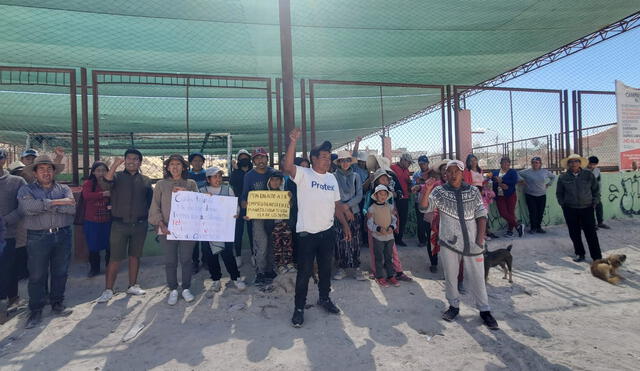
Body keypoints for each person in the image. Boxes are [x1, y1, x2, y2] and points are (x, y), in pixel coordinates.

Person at [283, 128, 351, 328]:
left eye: (329, 157)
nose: (327, 160)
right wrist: (293, 141)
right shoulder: (304, 174)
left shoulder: (331, 178)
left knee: (325, 269)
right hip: (306, 234)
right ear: (313, 159)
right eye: (323, 157)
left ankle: (324, 298)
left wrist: (345, 225)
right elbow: (287, 166)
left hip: (327, 232)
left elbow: (336, 205)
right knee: (304, 272)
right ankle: (299, 308)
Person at [420, 160, 498, 330]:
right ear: (445, 174)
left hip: (472, 242)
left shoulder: (472, 191)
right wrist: (427, 190)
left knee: (478, 276)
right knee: (451, 275)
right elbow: (425, 208)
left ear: (463, 173)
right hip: (449, 242)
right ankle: (454, 306)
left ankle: (485, 310)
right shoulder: (439, 192)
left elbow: (481, 214)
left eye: (457, 171)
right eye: (450, 171)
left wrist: (480, 238)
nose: (453, 174)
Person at [18, 155, 76, 329]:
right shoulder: (26, 190)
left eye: (49, 169)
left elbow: (72, 208)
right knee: (37, 275)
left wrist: (44, 205)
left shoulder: (64, 188)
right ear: (35, 172)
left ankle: (57, 302)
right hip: (37, 237)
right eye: (41, 169)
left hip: (63, 234)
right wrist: (58, 203)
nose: (46, 172)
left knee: (60, 271)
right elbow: (28, 209)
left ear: (54, 171)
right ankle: (36, 309)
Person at [96, 149, 152, 304]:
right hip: (119, 224)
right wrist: (115, 164)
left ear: (140, 162)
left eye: (135, 159)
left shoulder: (146, 180)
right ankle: (108, 290)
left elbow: (151, 203)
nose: (132, 161)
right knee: (115, 258)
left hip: (140, 224)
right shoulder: (116, 177)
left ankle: (132, 285)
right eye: (129, 159)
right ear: (125, 161)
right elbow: (106, 182)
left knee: (135, 256)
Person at [149, 154, 199, 305]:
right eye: (172, 164)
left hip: (187, 229)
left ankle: (185, 288)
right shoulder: (161, 185)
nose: (175, 167)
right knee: (170, 261)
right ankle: (173, 289)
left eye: (178, 164)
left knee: (186, 259)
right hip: (167, 228)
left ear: (183, 167)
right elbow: (155, 206)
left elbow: (199, 203)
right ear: (168, 167)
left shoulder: (190, 183)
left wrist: (186, 193)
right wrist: (160, 223)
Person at [199, 166, 246, 296]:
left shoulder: (227, 189)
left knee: (228, 254)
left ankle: (235, 277)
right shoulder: (201, 191)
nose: (218, 179)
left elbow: (234, 206)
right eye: (214, 177)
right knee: (211, 255)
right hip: (207, 230)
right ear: (208, 179)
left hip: (224, 228)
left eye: (219, 176)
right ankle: (216, 279)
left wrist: (236, 213)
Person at [362, 169, 413, 281]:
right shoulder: (370, 194)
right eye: (382, 178)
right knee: (375, 250)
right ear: (376, 181)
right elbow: (365, 208)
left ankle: (398, 271)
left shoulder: (388, 194)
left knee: (392, 250)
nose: (386, 180)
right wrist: (367, 214)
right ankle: (376, 272)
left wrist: (393, 218)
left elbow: (392, 208)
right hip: (374, 228)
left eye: (387, 179)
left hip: (387, 227)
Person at [556, 154, 602, 262]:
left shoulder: (588, 174)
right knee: (574, 233)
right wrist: (563, 204)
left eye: (576, 161)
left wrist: (595, 202)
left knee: (591, 233)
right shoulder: (563, 177)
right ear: (568, 164)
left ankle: (597, 257)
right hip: (570, 209)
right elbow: (559, 193)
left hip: (587, 208)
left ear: (580, 163)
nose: (573, 164)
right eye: (571, 162)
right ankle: (580, 254)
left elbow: (596, 190)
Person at [241, 147, 276, 285]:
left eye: (263, 157)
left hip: (274, 215)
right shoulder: (249, 176)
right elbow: (245, 196)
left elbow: (281, 193)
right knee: (261, 245)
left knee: (272, 244)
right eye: (257, 158)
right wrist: (246, 208)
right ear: (253, 161)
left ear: (267, 158)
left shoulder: (274, 173)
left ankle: (270, 270)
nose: (260, 160)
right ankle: (260, 272)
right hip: (258, 217)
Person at [1, 149, 27, 324]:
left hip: (7, 235)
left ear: (3, 160)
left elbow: (24, 207)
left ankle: (9, 303)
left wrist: (4, 220)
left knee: (7, 271)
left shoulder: (16, 181)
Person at [332, 151, 365, 281]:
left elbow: (359, 195)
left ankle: (356, 268)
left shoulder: (356, 176)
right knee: (341, 240)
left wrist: (348, 206)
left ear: (350, 162)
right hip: (339, 213)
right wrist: (344, 209)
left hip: (354, 212)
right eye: (342, 160)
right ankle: (342, 268)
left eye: (347, 160)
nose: (345, 163)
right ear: (339, 163)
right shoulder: (333, 177)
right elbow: (333, 195)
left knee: (355, 240)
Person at [81, 162, 111, 277]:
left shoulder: (110, 183)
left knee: (110, 245)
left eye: (103, 170)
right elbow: (87, 196)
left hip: (107, 220)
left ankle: (109, 267)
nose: (101, 173)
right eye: (98, 170)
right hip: (92, 221)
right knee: (93, 246)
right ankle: (94, 268)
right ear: (93, 172)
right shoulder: (89, 183)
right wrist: (103, 194)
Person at [367, 185, 400, 288]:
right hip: (378, 238)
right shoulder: (372, 208)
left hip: (389, 237)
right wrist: (378, 228)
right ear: (375, 195)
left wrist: (392, 227)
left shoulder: (390, 207)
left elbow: (394, 220)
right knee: (379, 257)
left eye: (385, 194)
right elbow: (369, 223)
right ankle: (379, 277)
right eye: (380, 194)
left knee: (388, 257)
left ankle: (391, 276)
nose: (383, 196)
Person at [519, 157, 556, 234]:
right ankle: (533, 228)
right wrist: (522, 181)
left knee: (540, 212)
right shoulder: (527, 171)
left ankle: (539, 228)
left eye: (537, 162)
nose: (535, 164)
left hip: (542, 195)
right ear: (531, 164)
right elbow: (516, 174)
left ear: (540, 164)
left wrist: (549, 184)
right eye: (533, 162)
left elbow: (553, 177)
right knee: (533, 212)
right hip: (530, 195)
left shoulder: (545, 172)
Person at [230, 149, 253, 267]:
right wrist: (235, 170)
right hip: (238, 206)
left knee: (252, 231)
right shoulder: (235, 173)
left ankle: (254, 254)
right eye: (241, 158)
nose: (244, 159)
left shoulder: (253, 172)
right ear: (238, 160)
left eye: (246, 157)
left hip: (252, 206)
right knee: (238, 232)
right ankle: (238, 255)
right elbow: (232, 184)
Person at [492, 156, 524, 238]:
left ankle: (510, 231)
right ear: (500, 164)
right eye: (503, 162)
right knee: (503, 213)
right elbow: (492, 180)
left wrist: (503, 182)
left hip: (510, 195)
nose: (506, 164)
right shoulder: (495, 172)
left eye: (507, 163)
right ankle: (518, 225)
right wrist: (497, 182)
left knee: (511, 212)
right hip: (499, 196)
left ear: (509, 164)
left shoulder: (512, 172)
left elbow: (514, 181)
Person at [187, 152, 208, 274]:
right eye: (195, 160)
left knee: (205, 237)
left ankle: (206, 260)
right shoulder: (186, 175)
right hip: (191, 211)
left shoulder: (207, 175)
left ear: (203, 162)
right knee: (193, 238)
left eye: (200, 160)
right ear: (191, 163)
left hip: (205, 210)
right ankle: (195, 262)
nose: (197, 163)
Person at [390, 153, 413, 246]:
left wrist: (409, 184)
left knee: (403, 219)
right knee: (393, 218)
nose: (409, 164)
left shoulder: (407, 170)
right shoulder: (392, 168)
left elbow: (407, 183)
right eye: (408, 162)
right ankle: (392, 238)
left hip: (405, 197)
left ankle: (399, 239)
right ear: (403, 160)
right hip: (395, 197)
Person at [585, 156, 610, 230]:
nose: (592, 166)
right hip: (586, 193)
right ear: (588, 163)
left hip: (596, 192)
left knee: (599, 206)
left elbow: (598, 182)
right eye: (591, 164)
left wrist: (598, 192)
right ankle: (592, 224)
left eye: (594, 164)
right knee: (589, 209)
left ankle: (600, 223)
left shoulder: (597, 170)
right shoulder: (583, 170)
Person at [412, 155, 431, 248]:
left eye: (424, 163)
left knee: (430, 220)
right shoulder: (416, 174)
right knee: (420, 221)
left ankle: (431, 239)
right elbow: (413, 187)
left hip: (430, 201)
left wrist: (422, 183)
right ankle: (422, 240)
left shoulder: (432, 173)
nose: (422, 165)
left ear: (428, 163)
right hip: (419, 200)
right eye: (420, 164)